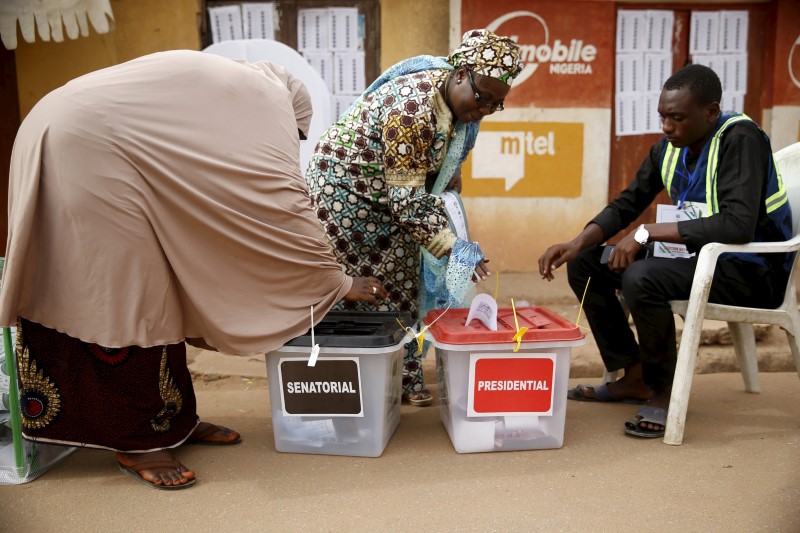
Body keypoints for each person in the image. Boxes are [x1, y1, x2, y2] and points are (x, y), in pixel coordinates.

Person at [0, 50, 388, 489]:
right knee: (127, 292)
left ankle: (173, 421)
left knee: (166, 289)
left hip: (95, 139)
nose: (294, 142)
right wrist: (337, 283)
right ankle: (137, 440)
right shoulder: (267, 102)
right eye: (297, 135)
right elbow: (283, 201)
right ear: (293, 113)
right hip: (79, 144)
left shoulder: (240, 91)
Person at [538, 64, 792, 438]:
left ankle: (662, 391)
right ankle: (634, 374)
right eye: (663, 117)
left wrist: (647, 233)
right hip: (697, 259)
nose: (667, 126)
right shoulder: (669, 149)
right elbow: (628, 202)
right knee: (588, 265)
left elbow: (738, 224)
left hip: (751, 270)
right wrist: (577, 242)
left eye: (677, 117)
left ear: (710, 112)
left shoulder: (741, 140)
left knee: (642, 277)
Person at [305, 29, 522, 406]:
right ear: (459, 74)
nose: (485, 109)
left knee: (405, 279)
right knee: (354, 286)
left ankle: (401, 378)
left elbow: (433, 166)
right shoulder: (413, 107)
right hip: (345, 191)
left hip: (391, 193)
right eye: (483, 97)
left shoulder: (459, 105)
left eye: (495, 104)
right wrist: (455, 249)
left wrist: (445, 174)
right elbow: (406, 203)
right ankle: (342, 380)